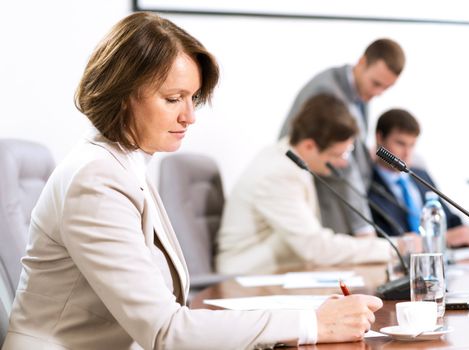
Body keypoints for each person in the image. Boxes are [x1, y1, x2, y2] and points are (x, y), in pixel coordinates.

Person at [2, 12, 384, 350]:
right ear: (123, 96)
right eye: (173, 99)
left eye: (193, 99)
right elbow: (167, 331)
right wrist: (310, 323)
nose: (190, 117)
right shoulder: (97, 179)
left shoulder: (124, 163)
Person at [216, 93, 399, 276]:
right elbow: (315, 248)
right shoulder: (278, 173)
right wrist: (393, 248)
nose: (344, 163)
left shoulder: (287, 159)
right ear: (309, 146)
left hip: (277, 274)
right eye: (337, 155)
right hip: (246, 278)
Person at [278, 38, 405, 237]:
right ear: (362, 62)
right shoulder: (327, 93)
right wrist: (363, 228)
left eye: (385, 88)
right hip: (324, 200)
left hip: (341, 199)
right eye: (376, 83)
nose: (377, 93)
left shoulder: (358, 91)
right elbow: (342, 165)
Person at [368, 108, 469, 248]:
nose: (407, 153)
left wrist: (467, 232)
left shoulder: (420, 175)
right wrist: (444, 238)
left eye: (412, 145)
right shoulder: (367, 185)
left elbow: (448, 217)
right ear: (379, 138)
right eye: (400, 143)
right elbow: (390, 238)